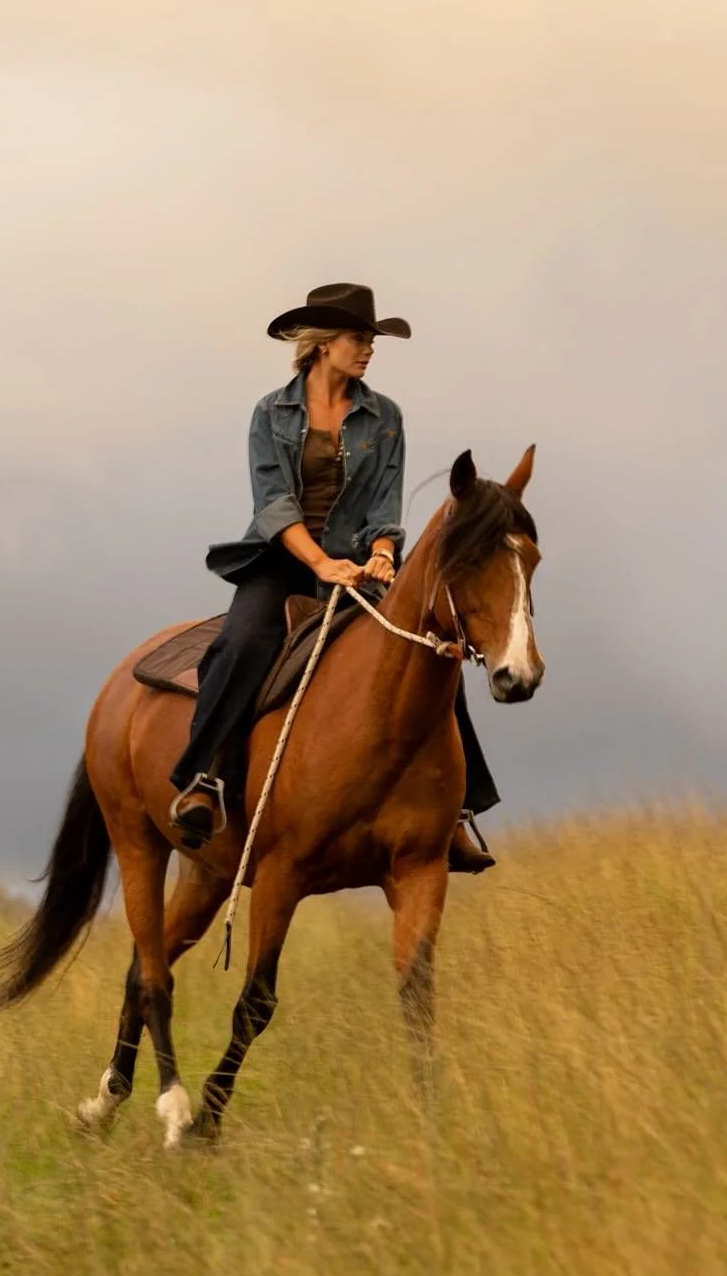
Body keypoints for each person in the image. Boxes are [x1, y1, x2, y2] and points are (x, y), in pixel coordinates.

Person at [168, 280, 499, 874]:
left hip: (358, 564)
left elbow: (384, 501)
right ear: (323, 344)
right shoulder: (271, 411)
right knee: (240, 643)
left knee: (434, 648)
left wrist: (380, 553)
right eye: (358, 337)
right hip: (284, 559)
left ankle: (456, 811)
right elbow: (273, 503)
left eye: (372, 339)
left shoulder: (385, 416)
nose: (369, 348)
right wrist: (319, 563)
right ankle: (204, 780)